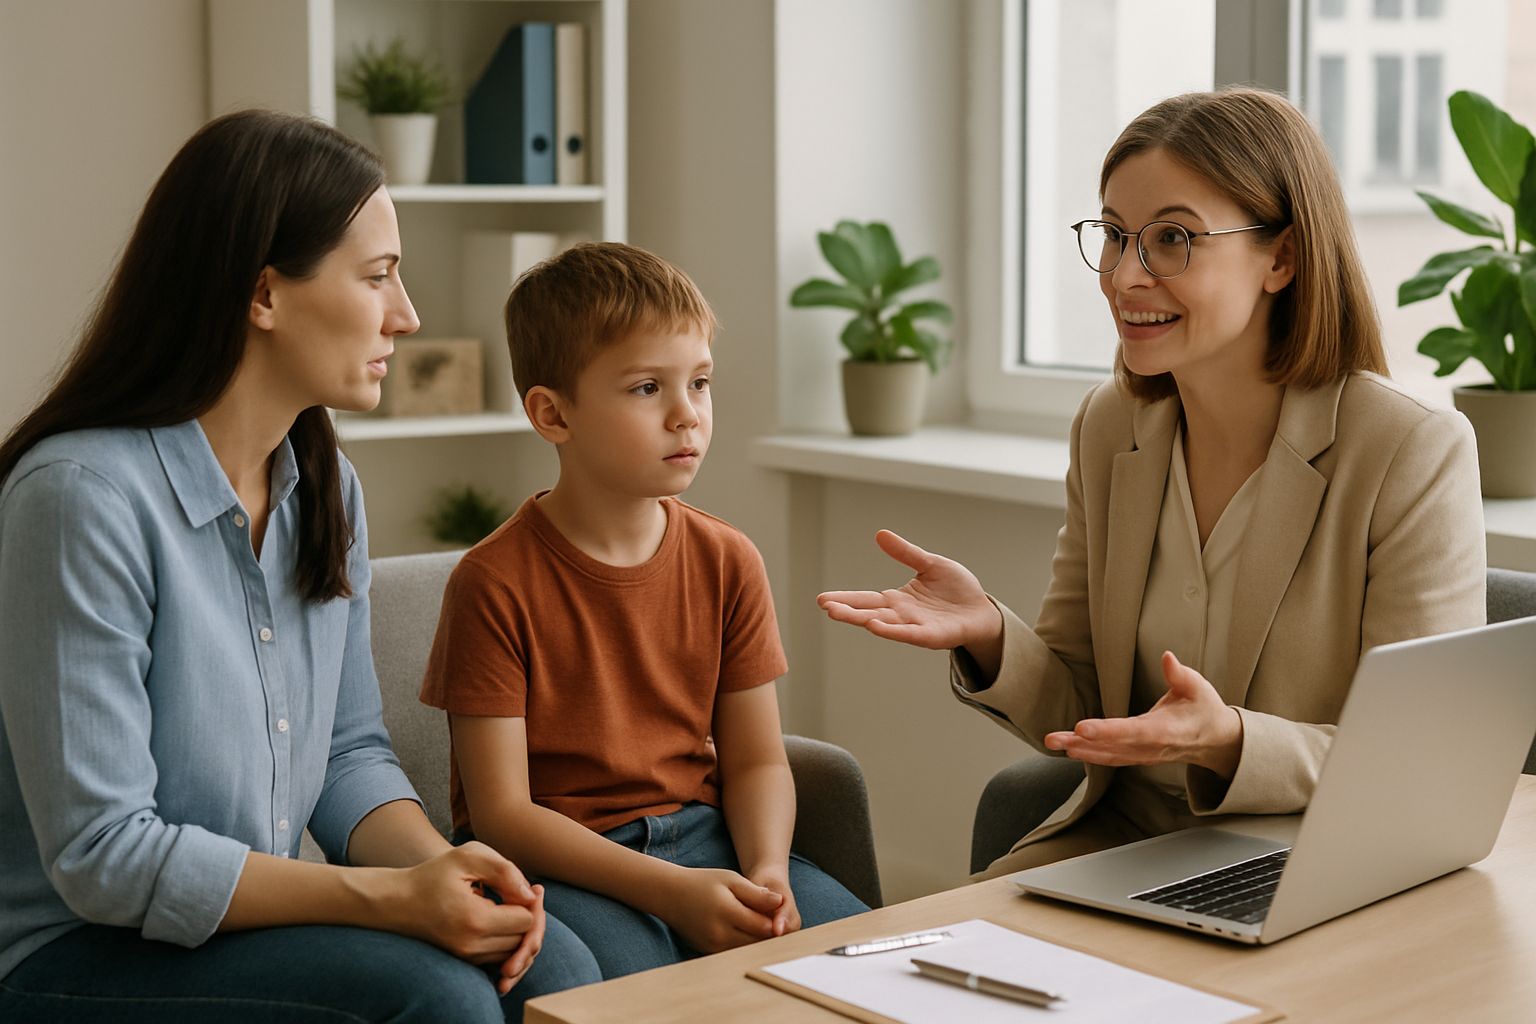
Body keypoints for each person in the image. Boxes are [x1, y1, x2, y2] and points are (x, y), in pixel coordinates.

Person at [0, 110, 601, 1023]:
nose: (407, 315)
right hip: (77, 949)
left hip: (246, 930)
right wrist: (390, 901)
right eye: (378, 275)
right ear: (264, 295)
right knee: (439, 1000)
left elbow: (347, 753)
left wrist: (443, 874)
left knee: (556, 966)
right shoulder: (80, 497)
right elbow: (104, 855)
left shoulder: (325, 485)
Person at [818, 88, 1486, 879]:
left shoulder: (1409, 448)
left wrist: (1229, 741)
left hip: (1316, 860)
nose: (1125, 276)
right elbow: (1081, 711)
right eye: (1113, 235)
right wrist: (989, 634)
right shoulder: (1111, 426)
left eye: (1173, 238)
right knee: (949, 942)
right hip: (1127, 845)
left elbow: (1415, 760)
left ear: (1282, 258)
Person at [419, 241, 868, 979]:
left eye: (700, 382)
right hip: (565, 864)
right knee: (640, 994)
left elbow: (757, 760)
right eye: (646, 388)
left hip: (708, 840)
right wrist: (673, 893)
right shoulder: (491, 583)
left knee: (865, 962)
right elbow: (503, 816)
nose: (687, 415)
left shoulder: (729, 560)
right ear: (552, 413)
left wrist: (767, 871)